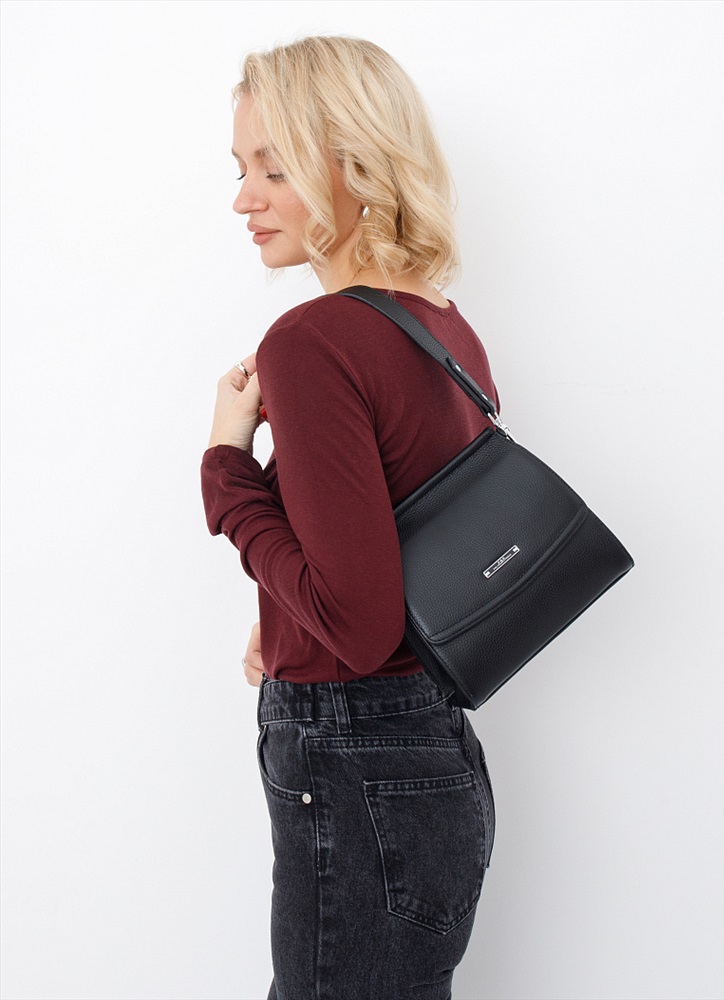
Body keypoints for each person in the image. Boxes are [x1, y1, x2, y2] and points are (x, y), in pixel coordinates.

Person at [200, 35, 497, 1000]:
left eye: (274, 168)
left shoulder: (312, 340)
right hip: (434, 758)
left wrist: (225, 468)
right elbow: (400, 536)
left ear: (356, 166)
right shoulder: (441, 326)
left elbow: (361, 628)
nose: (245, 199)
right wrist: (290, 618)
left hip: (354, 757)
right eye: (241, 169)